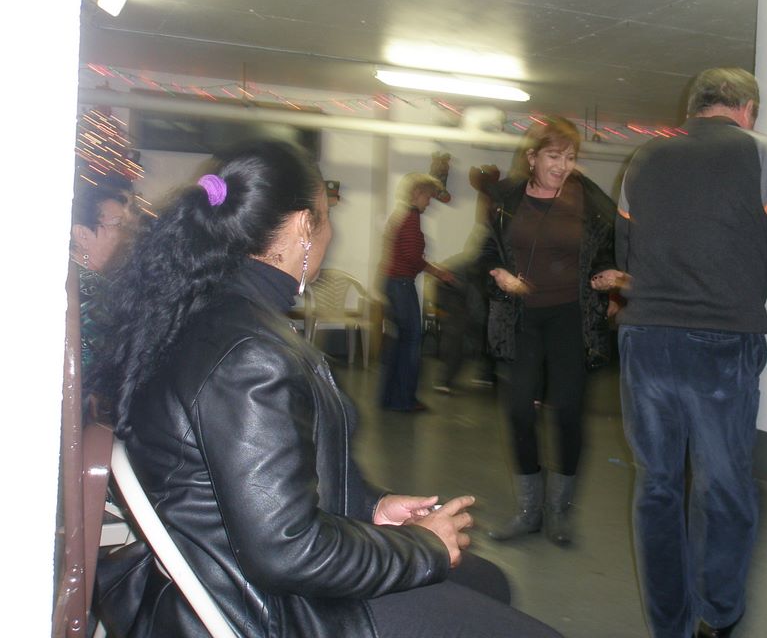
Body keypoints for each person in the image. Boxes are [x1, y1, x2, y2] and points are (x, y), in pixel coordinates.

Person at [94, 141, 560, 638]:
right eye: (327, 215)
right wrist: (422, 546)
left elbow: (267, 483)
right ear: (302, 225)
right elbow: (286, 551)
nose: (330, 231)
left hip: (241, 567)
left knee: (486, 581)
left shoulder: (214, 310)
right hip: (266, 608)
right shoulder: (248, 353)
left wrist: (371, 507)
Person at [615, 68, 767, 638]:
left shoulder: (643, 159)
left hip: (646, 343)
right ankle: (719, 616)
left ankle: (670, 626)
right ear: (748, 109)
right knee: (722, 484)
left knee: (658, 484)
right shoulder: (762, 152)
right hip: (720, 345)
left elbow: (624, 254)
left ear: (693, 109)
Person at [481, 116, 624, 546]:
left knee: (566, 410)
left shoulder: (589, 200)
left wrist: (608, 277)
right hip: (522, 318)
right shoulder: (506, 198)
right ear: (532, 157)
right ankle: (528, 511)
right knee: (519, 409)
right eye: (553, 156)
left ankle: (559, 512)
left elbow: (611, 249)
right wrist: (499, 274)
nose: (562, 166)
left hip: (571, 317)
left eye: (570, 157)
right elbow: (487, 252)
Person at [378, 173, 456, 411]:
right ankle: (404, 400)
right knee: (411, 344)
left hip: (392, 282)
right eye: (428, 197)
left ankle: (389, 398)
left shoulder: (401, 216)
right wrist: (438, 272)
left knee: (398, 343)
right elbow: (412, 257)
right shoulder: (411, 219)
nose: (429, 202)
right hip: (401, 285)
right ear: (416, 194)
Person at [69, 176, 135, 410]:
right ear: (82, 235)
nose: (127, 236)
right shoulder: (95, 293)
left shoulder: (66, 278)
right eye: (118, 226)